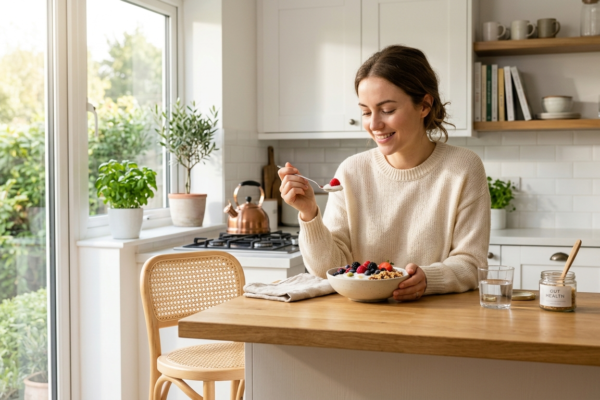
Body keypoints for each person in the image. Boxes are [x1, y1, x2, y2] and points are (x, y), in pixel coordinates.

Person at [278, 45, 490, 302]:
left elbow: (471, 264)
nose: (374, 124)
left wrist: (427, 279)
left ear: (424, 105)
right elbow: (329, 270)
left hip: (435, 318)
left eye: (387, 110)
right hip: (359, 320)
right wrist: (309, 213)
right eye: (366, 112)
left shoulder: (463, 168)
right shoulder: (351, 171)